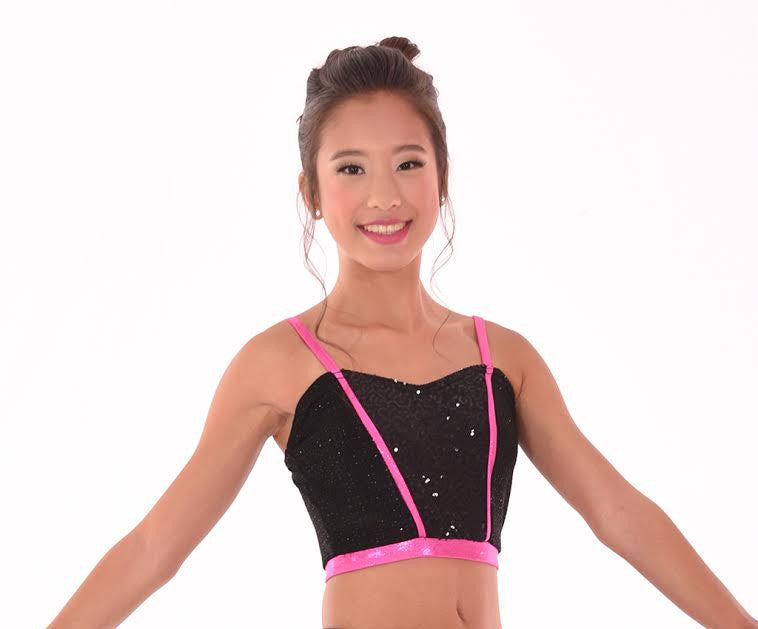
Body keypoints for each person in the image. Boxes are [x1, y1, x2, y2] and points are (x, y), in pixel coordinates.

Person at [48, 36, 757, 629]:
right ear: (311, 192)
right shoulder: (279, 363)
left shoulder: (503, 358)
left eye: (408, 163)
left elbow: (618, 511)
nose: (384, 195)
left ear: (442, 177)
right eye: (351, 168)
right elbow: (155, 547)